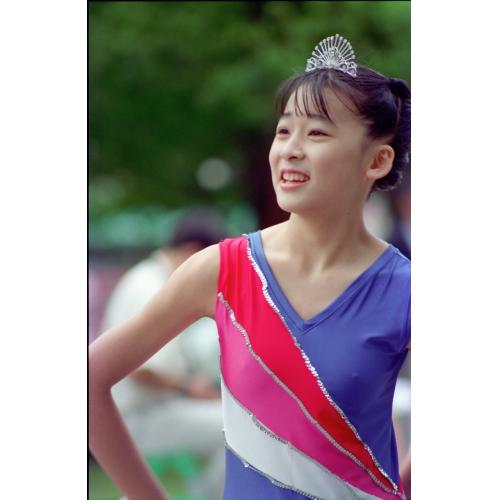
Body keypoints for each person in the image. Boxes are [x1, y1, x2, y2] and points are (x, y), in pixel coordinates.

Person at [90, 34, 411, 500]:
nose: (290, 149)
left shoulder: (404, 289)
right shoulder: (222, 270)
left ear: (377, 160)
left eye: (317, 133)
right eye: (284, 131)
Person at [98, 208, 228, 499]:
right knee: (237, 426)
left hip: (147, 410)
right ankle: (206, 495)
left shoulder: (150, 277)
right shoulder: (151, 286)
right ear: (194, 251)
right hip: (138, 418)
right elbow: (140, 369)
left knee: (235, 422)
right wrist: (188, 388)